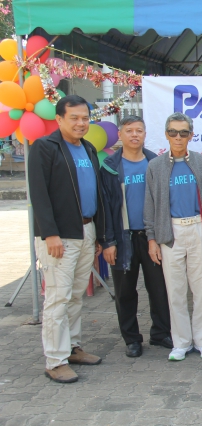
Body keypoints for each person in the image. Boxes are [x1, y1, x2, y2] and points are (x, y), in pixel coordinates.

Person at [29, 95, 105, 383]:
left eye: (85, 118)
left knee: (74, 295)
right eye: (74, 118)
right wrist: (49, 233)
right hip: (60, 236)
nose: (81, 123)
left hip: (86, 230)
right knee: (58, 298)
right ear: (59, 119)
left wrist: (97, 233)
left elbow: (95, 192)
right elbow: (39, 194)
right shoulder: (45, 147)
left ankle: (72, 347)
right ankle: (55, 360)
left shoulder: (87, 148)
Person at [144, 112, 202, 361]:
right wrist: (152, 238)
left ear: (191, 135)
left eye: (183, 132)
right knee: (175, 290)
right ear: (166, 134)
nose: (178, 137)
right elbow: (150, 204)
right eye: (173, 132)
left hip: (199, 229)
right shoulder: (155, 166)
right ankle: (181, 343)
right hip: (170, 232)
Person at [100, 116, 172, 358]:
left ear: (145, 134)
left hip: (152, 238)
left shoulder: (155, 162)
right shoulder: (109, 167)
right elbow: (105, 207)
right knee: (125, 292)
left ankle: (161, 333)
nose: (134, 135)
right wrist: (108, 242)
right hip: (123, 239)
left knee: (159, 289)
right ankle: (132, 339)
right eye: (129, 130)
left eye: (139, 130)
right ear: (120, 135)